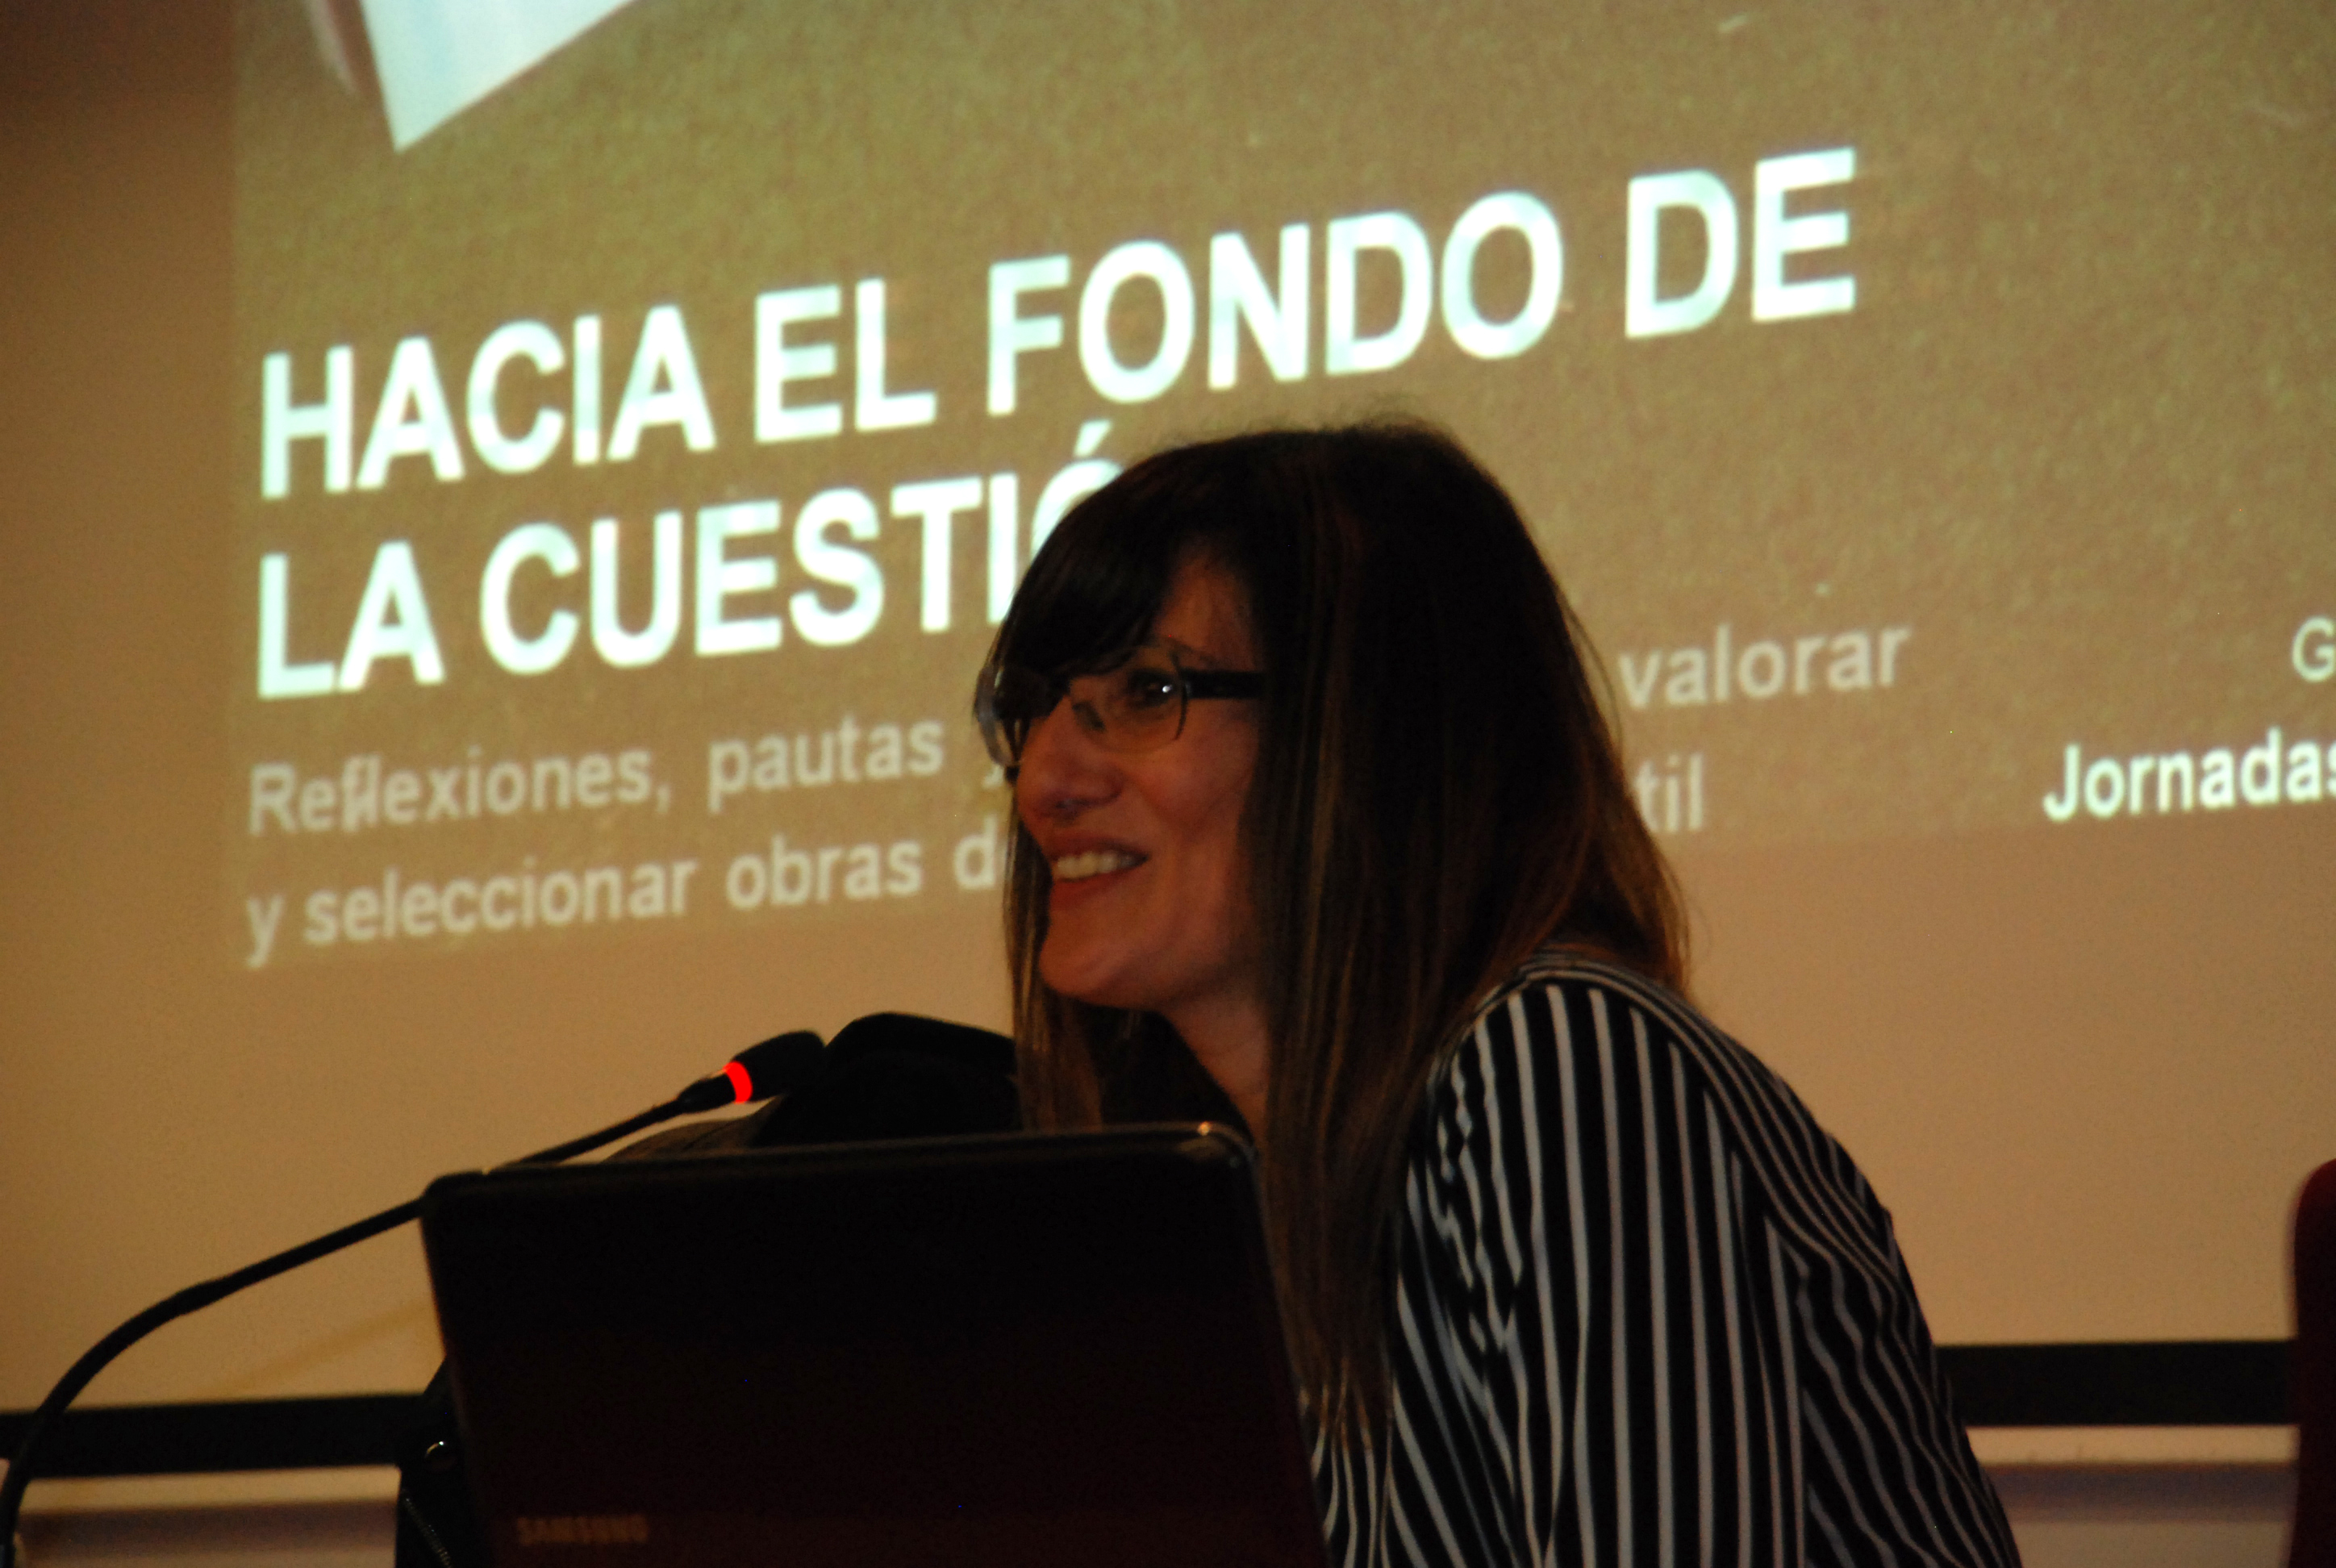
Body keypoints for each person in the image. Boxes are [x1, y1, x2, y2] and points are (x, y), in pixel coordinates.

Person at [974, 423, 2021, 1568]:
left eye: (1146, 691)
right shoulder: (1240, 1179)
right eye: (1039, 708)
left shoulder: (1566, 1064)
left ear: (1370, 735)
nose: (1045, 781)